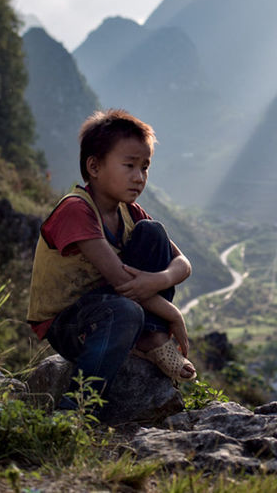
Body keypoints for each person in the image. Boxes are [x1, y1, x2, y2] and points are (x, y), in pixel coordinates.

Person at [27, 108, 196, 410]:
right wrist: (173, 314)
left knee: (153, 232)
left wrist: (160, 279)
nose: (139, 177)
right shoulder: (77, 209)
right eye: (129, 165)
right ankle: (75, 408)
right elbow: (122, 282)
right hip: (70, 322)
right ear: (94, 166)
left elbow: (182, 263)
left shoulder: (129, 212)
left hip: (112, 305)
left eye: (145, 167)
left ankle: (148, 337)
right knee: (126, 311)